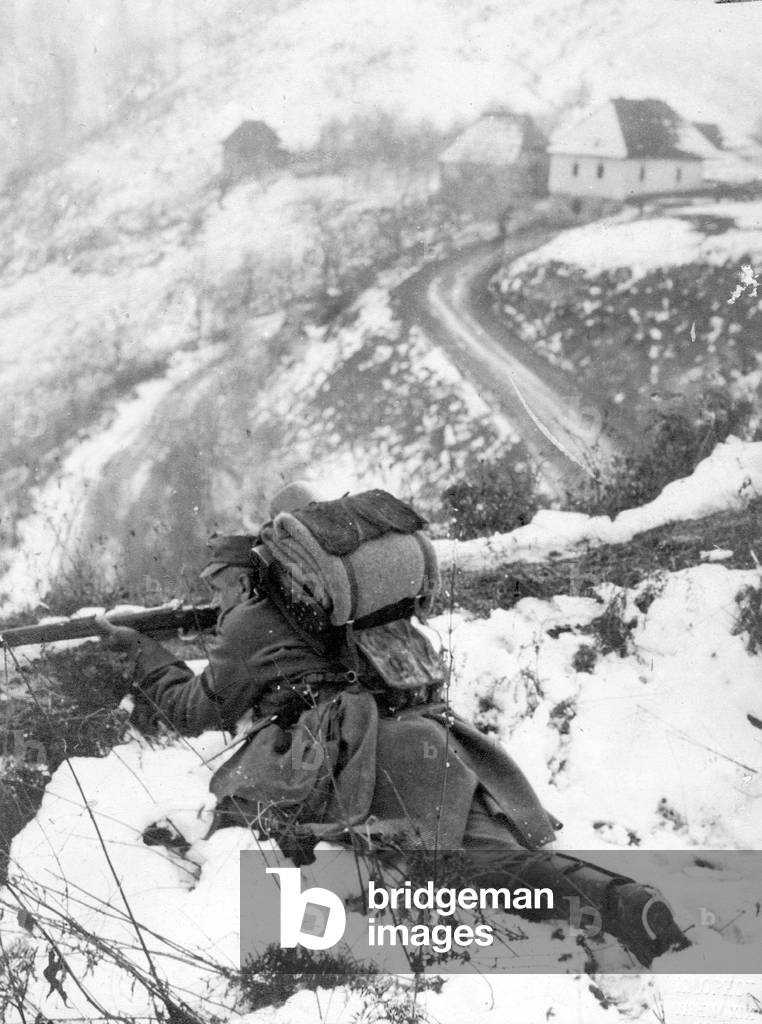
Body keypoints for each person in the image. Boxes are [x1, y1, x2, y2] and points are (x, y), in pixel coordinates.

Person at [96, 484, 687, 966]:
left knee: (470, 866)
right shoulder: (339, 601)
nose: (214, 597)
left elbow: (195, 711)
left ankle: (619, 907)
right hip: (429, 734)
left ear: (247, 575)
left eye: (217, 584)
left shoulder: (253, 620)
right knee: (494, 850)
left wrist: (141, 651)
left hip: (367, 755)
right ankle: (627, 901)